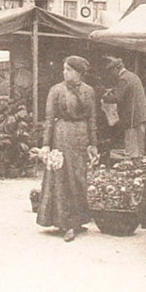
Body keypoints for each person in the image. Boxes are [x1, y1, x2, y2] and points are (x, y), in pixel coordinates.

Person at [36, 56, 98, 242]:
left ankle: (78, 220)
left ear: (79, 72)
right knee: (63, 176)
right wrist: (46, 144)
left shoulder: (89, 91)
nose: (65, 72)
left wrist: (93, 143)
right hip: (62, 135)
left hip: (81, 135)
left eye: (69, 70)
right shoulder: (56, 90)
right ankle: (65, 222)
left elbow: (92, 118)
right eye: (64, 69)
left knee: (79, 177)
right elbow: (49, 118)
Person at [102, 56, 146, 157]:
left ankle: (133, 167)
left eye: (111, 71)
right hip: (140, 116)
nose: (112, 74)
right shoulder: (132, 76)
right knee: (139, 146)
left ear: (117, 68)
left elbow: (117, 98)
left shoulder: (123, 79)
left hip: (132, 118)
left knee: (132, 148)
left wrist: (102, 96)